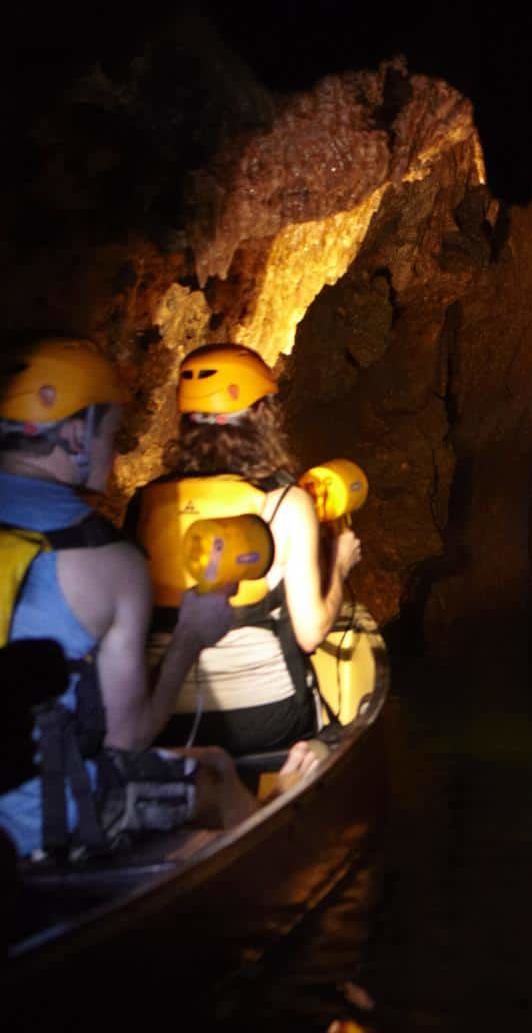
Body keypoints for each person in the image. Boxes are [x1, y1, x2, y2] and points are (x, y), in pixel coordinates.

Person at [0, 335, 309, 863]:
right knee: (214, 774)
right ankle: (265, 863)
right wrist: (190, 635)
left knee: (207, 752)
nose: (116, 449)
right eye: (110, 432)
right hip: (37, 817)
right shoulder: (106, 557)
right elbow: (127, 741)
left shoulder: (143, 507)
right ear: (75, 433)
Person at [130, 343, 361, 757]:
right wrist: (340, 566)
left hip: (165, 719)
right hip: (265, 718)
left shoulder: (146, 503)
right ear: (263, 416)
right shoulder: (286, 503)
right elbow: (310, 634)